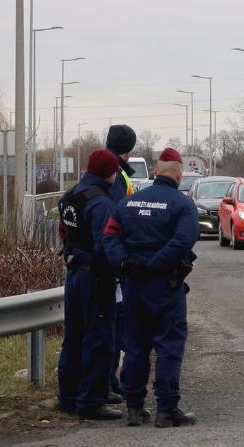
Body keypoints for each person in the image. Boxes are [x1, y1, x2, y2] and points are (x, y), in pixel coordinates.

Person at [103, 147, 199, 427]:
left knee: (135, 346)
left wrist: (125, 264)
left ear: (155, 172)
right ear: (179, 176)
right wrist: (155, 265)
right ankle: (166, 410)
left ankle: (134, 408)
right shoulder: (182, 205)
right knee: (169, 346)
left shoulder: (128, 204)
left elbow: (108, 237)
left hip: (133, 285)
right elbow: (183, 241)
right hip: (166, 287)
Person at [57, 150, 123, 420]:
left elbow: (65, 231)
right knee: (99, 337)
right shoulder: (101, 203)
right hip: (94, 276)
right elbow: (105, 244)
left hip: (74, 272)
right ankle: (92, 401)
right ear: (110, 172)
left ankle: (69, 397)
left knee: (73, 337)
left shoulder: (71, 195)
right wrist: (118, 272)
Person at [105, 124, 137, 404]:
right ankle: (109, 380)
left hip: (110, 258)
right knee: (113, 325)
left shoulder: (113, 170)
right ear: (129, 148)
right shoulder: (116, 176)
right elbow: (116, 218)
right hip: (113, 261)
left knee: (114, 325)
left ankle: (109, 380)